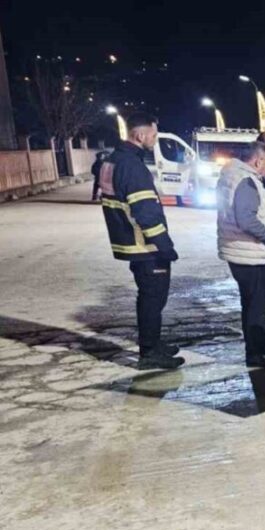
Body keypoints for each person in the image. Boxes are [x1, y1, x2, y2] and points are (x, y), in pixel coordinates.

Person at [98, 112, 184, 370]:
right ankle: (149, 353)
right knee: (152, 298)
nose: (155, 140)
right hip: (144, 245)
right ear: (140, 134)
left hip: (129, 241)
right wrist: (164, 246)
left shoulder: (115, 159)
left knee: (148, 297)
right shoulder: (132, 166)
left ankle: (153, 344)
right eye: (154, 135)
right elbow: (145, 212)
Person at [216, 141, 265, 368]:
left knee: (250, 304)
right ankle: (256, 353)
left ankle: (255, 348)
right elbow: (246, 218)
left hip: (239, 253)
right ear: (258, 160)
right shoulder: (246, 181)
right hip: (251, 255)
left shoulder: (230, 175)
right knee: (258, 307)